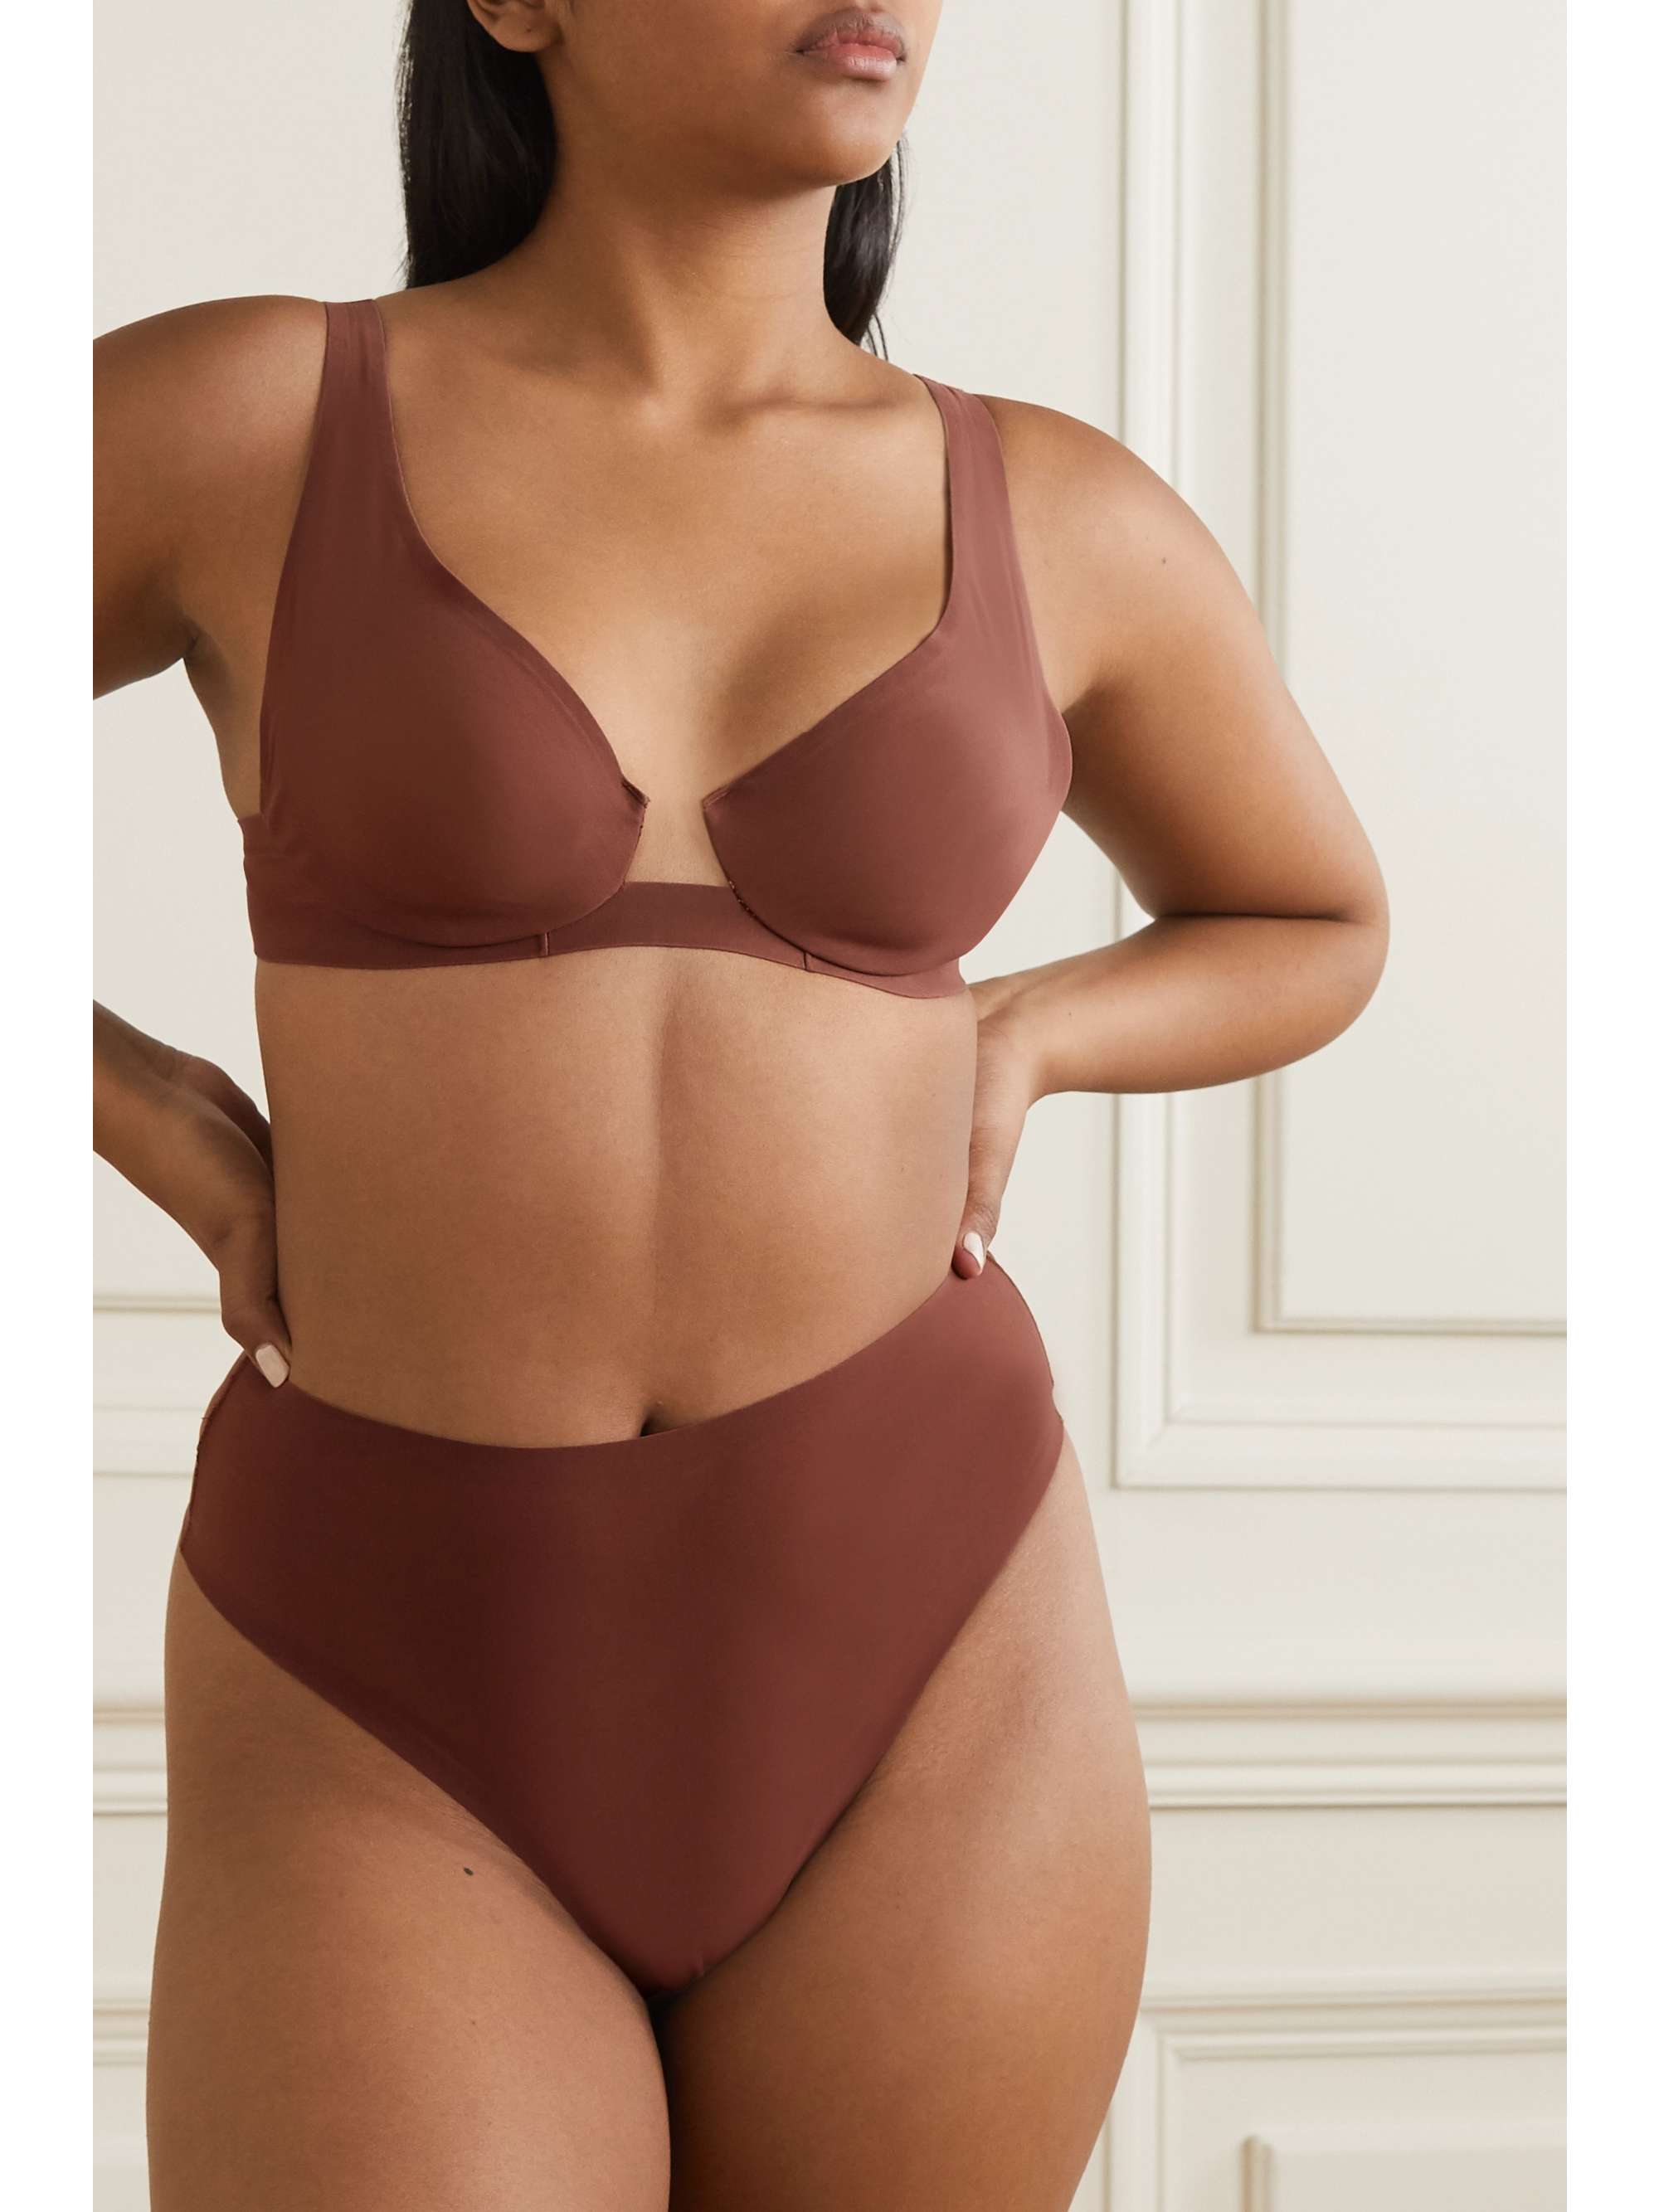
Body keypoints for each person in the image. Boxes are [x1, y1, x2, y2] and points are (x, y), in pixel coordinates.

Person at [92, 4, 1389, 2205]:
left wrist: (1024, 1034)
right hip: (383, 1663)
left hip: (930, 1640)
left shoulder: (1058, 508)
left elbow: (1315, 915)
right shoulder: (254, 418)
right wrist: (152, 1120)